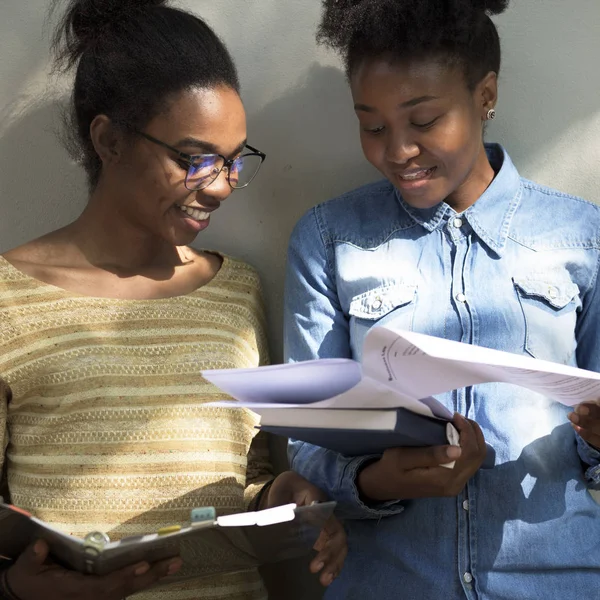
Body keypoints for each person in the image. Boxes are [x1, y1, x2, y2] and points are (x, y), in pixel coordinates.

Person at [0, 1, 347, 599]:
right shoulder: (9, 298)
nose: (220, 186)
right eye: (194, 159)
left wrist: (288, 499)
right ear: (108, 140)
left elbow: (248, 480)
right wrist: (15, 588)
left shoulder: (236, 290)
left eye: (236, 161)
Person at [284, 0, 600, 598]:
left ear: (486, 95)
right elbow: (308, 438)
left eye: (423, 120)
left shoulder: (584, 237)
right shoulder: (327, 239)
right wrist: (377, 481)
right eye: (373, 127)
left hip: (560, 580)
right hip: (388, 582)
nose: (397, 150)